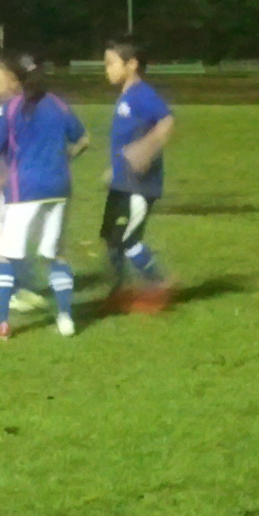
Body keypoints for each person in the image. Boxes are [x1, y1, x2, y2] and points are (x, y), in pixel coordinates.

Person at [0, 49, 87, 341]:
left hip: (24, 190)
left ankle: (1, 324)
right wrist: (63, 160)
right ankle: (66, 319)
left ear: (15, 79)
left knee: (6, 256)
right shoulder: (57, 104)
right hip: (59, 189)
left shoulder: (10, 109)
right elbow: (83, 140)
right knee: (54, 255)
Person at [99, 37, 176, 312]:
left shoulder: (143, 94)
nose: (106, 69)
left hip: (140, 186)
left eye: (111, 63)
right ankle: (119, 291)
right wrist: (115, 168)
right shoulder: (127, 95)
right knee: (112, 239)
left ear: (131, 64)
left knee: (128, 241)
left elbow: (167, 121)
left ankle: (161, 283)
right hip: (122, 182)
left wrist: (147, 147)